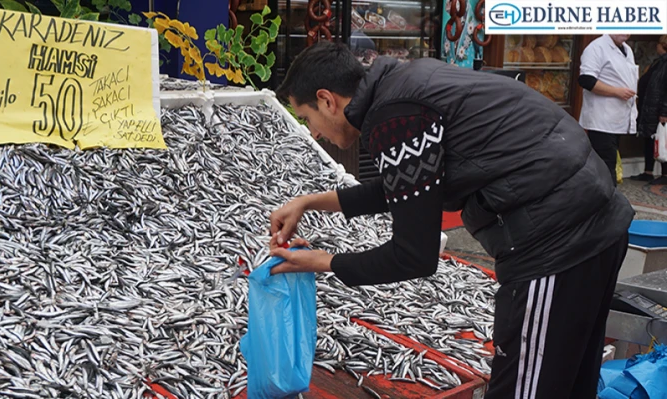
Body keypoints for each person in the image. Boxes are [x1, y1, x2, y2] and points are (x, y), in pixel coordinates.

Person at [268, 42, 634, 398]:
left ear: (327, 100)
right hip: (596, 221)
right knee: (569, 382)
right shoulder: (408, 84)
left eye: (308, 118)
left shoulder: (395, 116)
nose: (313, 133)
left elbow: (414, 255)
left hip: (557, 242)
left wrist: (321, 262)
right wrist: (311, 202)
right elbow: (409, 185)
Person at [578, 34, 639, 187]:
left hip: (619, 118)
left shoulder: (627, 50)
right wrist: (616, 92)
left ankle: (606, 202)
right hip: (601, 119)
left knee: (610, 162)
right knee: (605, 165)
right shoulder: (596, 48)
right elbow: (586, 80)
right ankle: (608, 204)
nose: (626, 32)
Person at [632, 35, 667, 185]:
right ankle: (648, 171)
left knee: (662, 140)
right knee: (650, 139)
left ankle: (665, 173)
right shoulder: (658, 62)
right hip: (650, 107)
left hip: (659, 109)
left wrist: (665, 112)